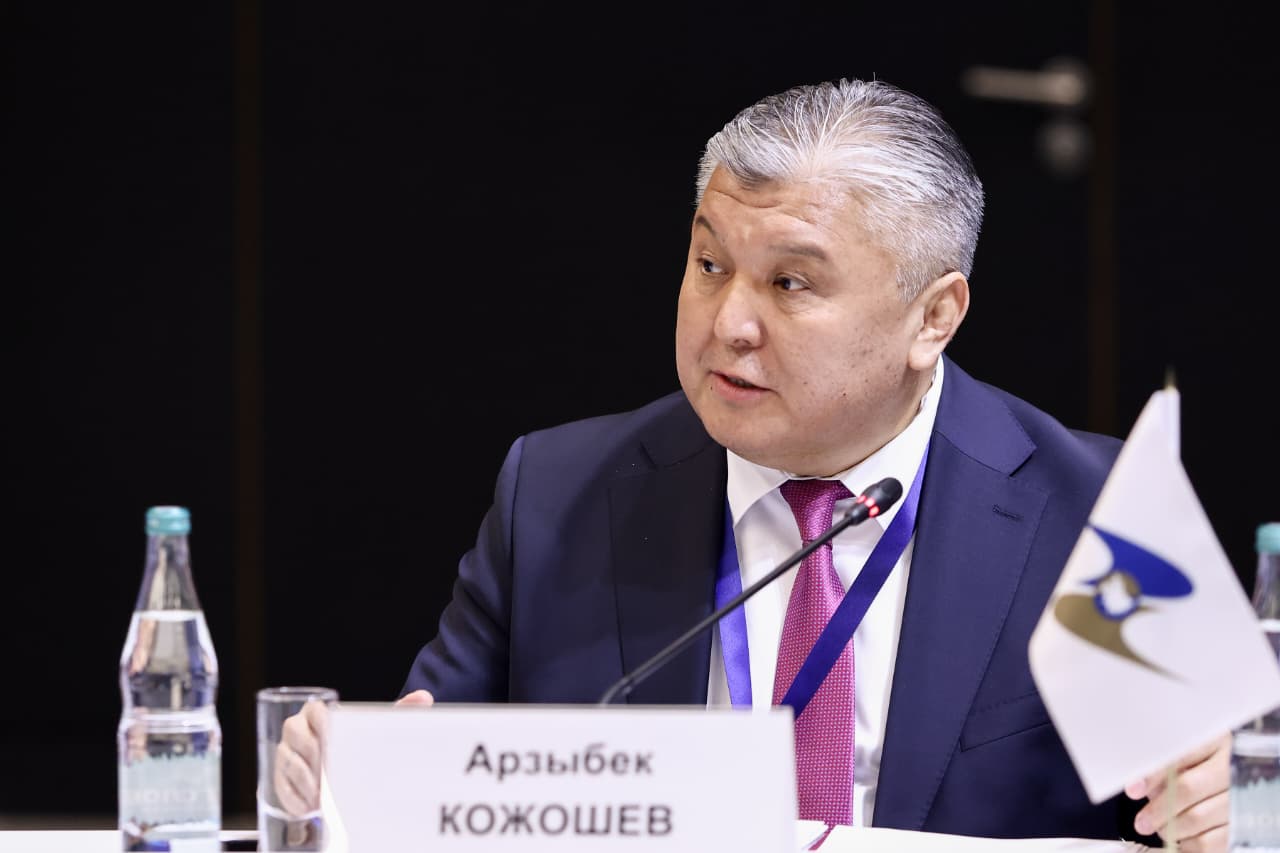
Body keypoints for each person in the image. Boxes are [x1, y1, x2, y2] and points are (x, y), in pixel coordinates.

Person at [279, 77, 1229, 850]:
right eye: (710, 265)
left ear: (933, 317)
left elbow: (1226, 793)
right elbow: (430, 761)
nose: (730, 321)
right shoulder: (559, 493)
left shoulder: (1096, 511)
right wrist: (355, 771)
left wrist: (1236, 802)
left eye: (789, 282)